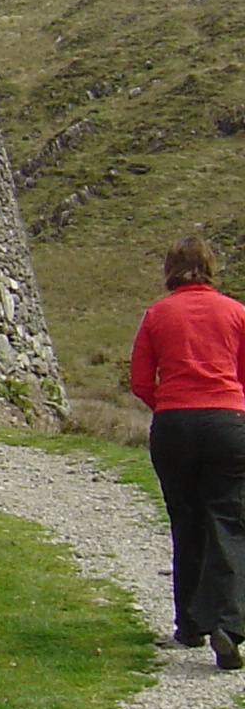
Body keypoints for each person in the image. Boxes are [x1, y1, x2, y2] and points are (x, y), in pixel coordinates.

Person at [128, 233, 245, 668]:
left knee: (186, 518)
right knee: (228, 520)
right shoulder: (236, 313)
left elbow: (141, 380)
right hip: (227, 422)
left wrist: (170, 406)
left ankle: (190, 624)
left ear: (170, 270)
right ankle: (228, 624)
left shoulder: (157, 315)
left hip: (174, 424)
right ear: (211, 267)